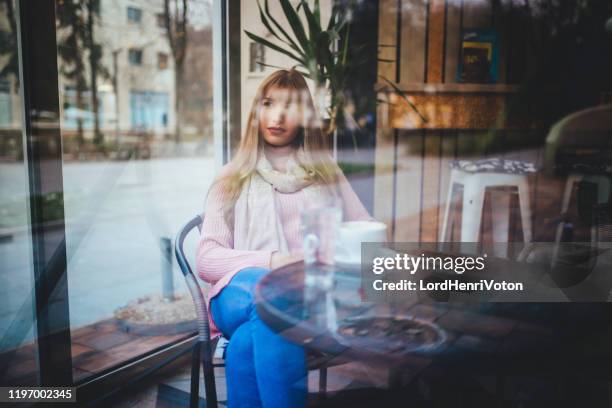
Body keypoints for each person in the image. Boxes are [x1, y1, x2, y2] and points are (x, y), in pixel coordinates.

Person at [196, 69, 371, 407]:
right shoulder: (232, 176)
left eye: (289, 107)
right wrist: (275, 261)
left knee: (248, 341)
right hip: (235, 293)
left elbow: (364, 224)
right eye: (268, 104)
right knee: (272, 294)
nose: (276, 116)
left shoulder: (324, 171)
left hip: (304, 299)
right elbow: (207, 259)